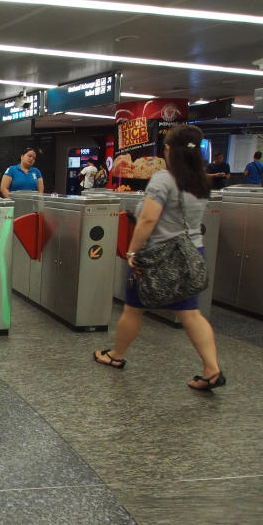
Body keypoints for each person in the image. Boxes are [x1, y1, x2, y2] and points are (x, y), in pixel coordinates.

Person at [93, 124, 225, 391]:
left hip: (157, 256)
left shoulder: (164, 179)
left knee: (133, 308)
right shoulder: (200, 182)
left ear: (170, 150)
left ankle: (116, 355)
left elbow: (149, 219)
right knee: (190, 312)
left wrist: (132, 250)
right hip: (189, 254)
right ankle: (212, 369)